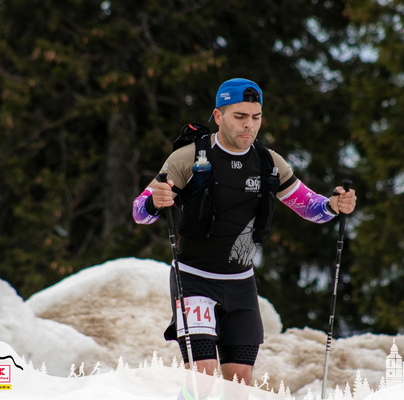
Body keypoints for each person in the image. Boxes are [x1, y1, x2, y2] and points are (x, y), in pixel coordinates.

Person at [133, 78, 357, 394]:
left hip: (240, 285)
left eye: (256, 117)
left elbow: (311, 208)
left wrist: (334, 205)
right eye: (239, 116)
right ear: (218, 115)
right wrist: (155, 202)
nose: (249, 125)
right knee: (202, 380)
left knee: (239, 385)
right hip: (193, 279)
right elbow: (139, 212)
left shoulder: (269, 162)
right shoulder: (188, 157)